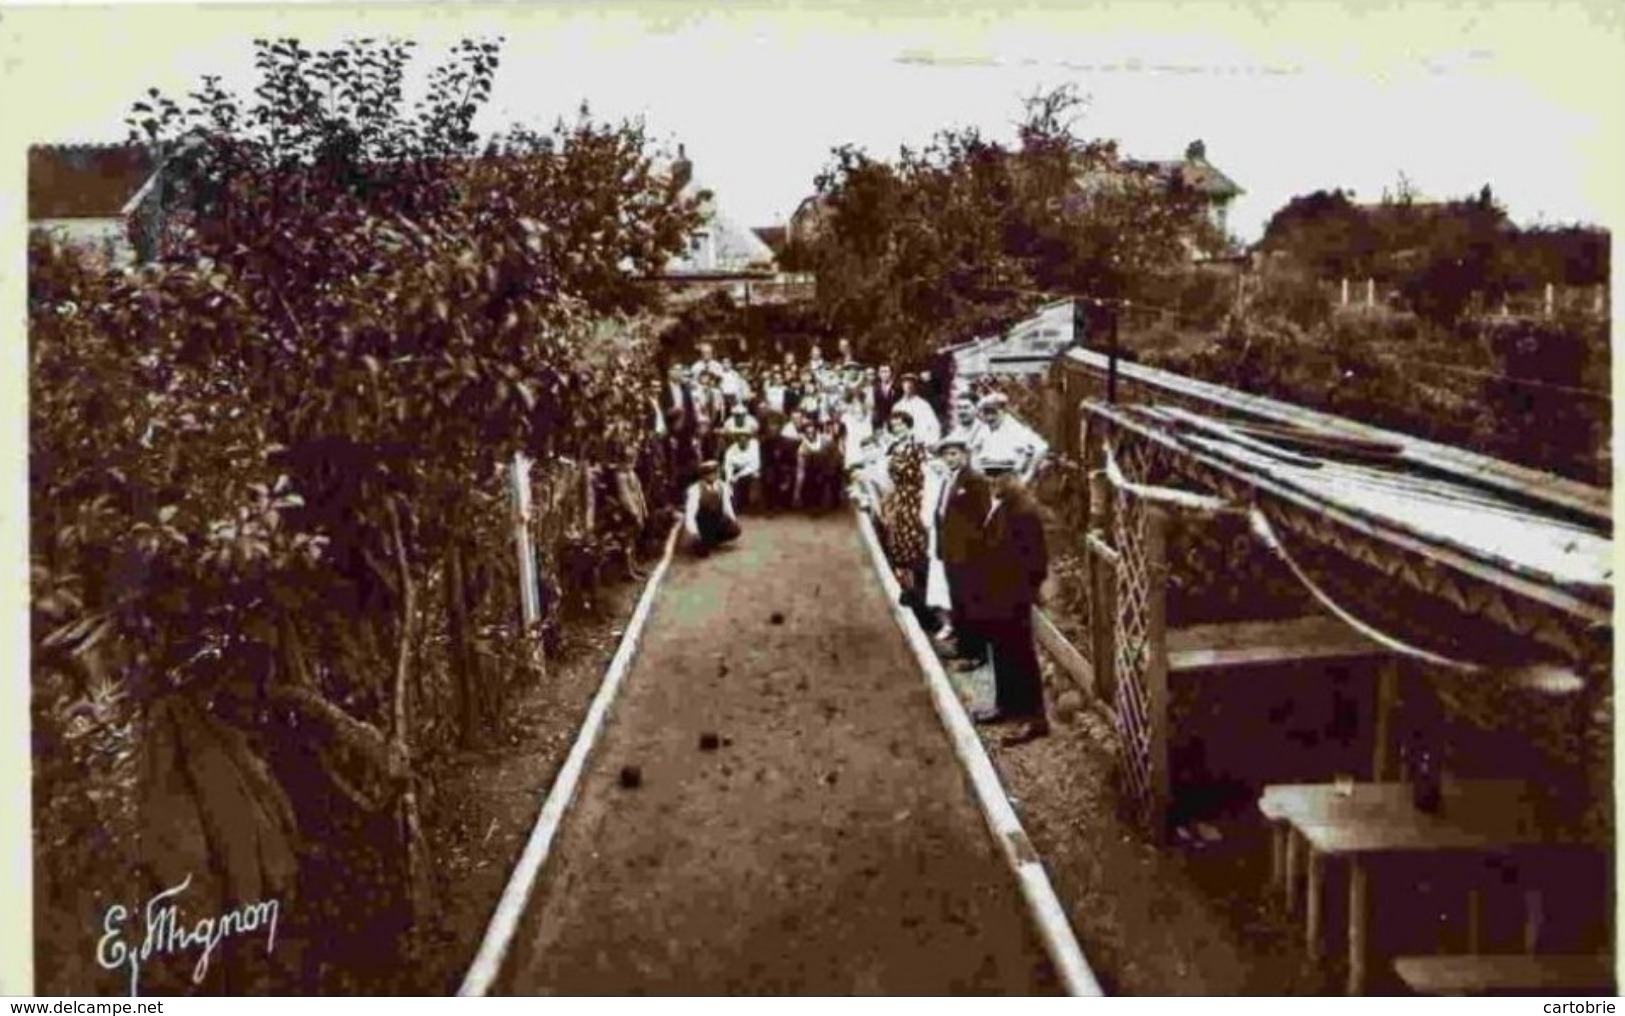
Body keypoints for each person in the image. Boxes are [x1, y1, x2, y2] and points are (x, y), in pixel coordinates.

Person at [965, 462, 1050, 745]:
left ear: (1013, 477)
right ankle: (1007, 705)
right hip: (996, 595)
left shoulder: (1024, 513)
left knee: (1021, 654)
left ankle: (1034, 718)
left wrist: (1025, 592)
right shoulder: (1000, 508)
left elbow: (1037, 561)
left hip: (1014, 597)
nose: (994, 482)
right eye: (989, 476)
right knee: (1001, 651)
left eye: (1000, 476)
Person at [929, 434, 992, 673]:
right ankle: (963, 645)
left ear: (965, 455)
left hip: (969, 554)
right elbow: (942, 514)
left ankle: (975, 654)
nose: (950, 458)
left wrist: (977, 549)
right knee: (958, 601)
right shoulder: (949, 479)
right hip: (951, 552)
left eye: (954, 453)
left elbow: (983, 518)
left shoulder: (975, 481)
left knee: (971, 602)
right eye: (946, 454)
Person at [879, 409, 935, 632]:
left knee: (915, 549)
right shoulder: (893, 449)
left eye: (901, 425)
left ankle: (924, 608)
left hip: (914, 499)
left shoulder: (917, 447)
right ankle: (910, 594)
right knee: (900, 549)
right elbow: (889, 479)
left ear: (908, 426)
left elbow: (926, 475)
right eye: (894, 426)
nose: (897, 429)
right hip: (900, 500)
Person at [971, 392, 1049, 484]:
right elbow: (974, 450)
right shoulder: (984, 429)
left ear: (1002, 410)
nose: (990, 417)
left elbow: (1042, 447)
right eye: (986, 413)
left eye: (994, 412)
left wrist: (1028, 473)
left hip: (1008, 478)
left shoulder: (1015, 428)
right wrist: (976, 467)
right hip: (987, 477)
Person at [684, 461, 741, 556]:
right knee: (701, 549)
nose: (713, 475)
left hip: (716, 520)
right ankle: (702, 541)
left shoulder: (722, 486)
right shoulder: (694, 489)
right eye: (710, 473)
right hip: (702, 523)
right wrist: (694, 533)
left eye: (715, 473)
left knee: (735, 529)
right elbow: (690, 515)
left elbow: (727, 506)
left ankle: (713, 540)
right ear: (704, 475)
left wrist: (733, 520)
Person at [892, 374, 942, 447]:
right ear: (901, 385)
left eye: (911, 383)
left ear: (915, 386)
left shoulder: (923, 405)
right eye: (905, 383)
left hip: (921, 444)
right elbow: (892, 428)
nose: (908, 386)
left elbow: (935, 427)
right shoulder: (897, 406)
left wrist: (929, 442)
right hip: (902, 445)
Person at [722, 429, 762, 513]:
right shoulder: (731, 449)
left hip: (751, 472)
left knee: (755, 478)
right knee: (729, 483)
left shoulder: (754, 446)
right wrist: (730, 478)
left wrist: (737, 476)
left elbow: (754, 466)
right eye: (740, 440)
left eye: (745, 439)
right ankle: (733, 506)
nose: (743, 441)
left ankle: (752, 506)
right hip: (736, 472)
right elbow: (728, 465)